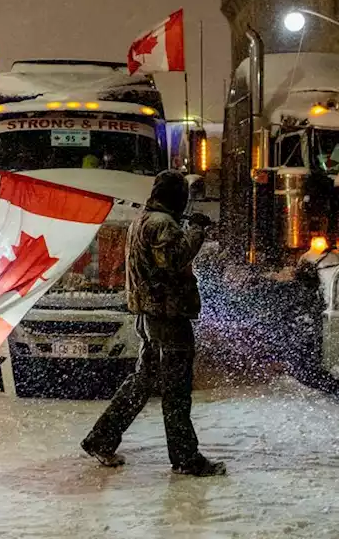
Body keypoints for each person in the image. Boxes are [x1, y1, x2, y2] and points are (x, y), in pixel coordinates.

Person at [80, 170, 226, 477]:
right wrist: (197, 230)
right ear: (176, 196)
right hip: (168, 316)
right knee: (176, 390)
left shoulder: (141, 220)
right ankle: (186, 458)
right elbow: (173, 260)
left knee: (143, 383)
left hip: (148, 315)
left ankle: (102, 438)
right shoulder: (162, 224)